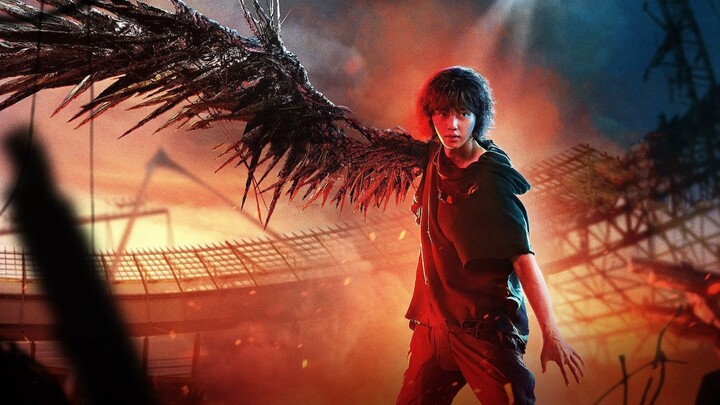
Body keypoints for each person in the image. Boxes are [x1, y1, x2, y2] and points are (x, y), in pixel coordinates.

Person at [396, 66, 584, 405]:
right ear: (431, 115)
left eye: (463, 114)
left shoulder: (491, 183)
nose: (452, 125)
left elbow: (524, 261)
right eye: (443, 114)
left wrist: (552, 334)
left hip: (483, 333)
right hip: (433, 331)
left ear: (478, 117)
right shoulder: (433, 157)